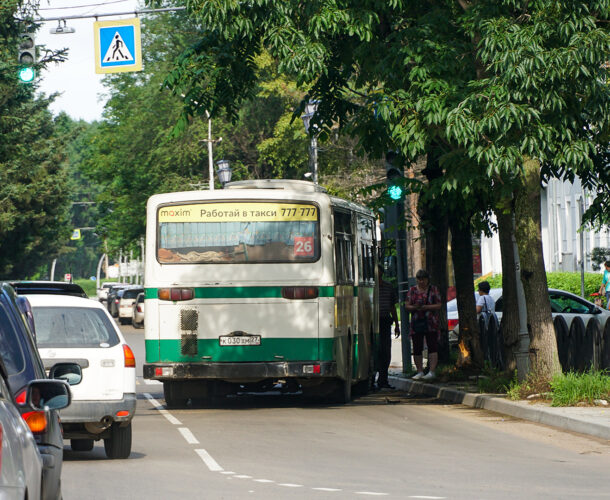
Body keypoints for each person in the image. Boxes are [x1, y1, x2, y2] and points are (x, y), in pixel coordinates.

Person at [405, 269, 441, 380]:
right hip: (417, 322)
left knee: (432, 346)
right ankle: (419, 371)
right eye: (419, 279)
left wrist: (427, 307)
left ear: (427, 279)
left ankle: (431, 371)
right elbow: (407, 305)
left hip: (431, 322)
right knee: (417, 347)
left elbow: (439, 305)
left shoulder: (433, 289)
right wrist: (415, 307)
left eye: (423, 279)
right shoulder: (412, 290)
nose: (421, 282)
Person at [376, 266, 400, 389]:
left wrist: (396, 324)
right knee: (376, 350)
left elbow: (392, 306)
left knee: (385, 351)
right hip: (373, 322)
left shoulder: (388, 286)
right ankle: (372, 378)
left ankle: (383, 379)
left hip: (385, 320)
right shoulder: (370, 286)